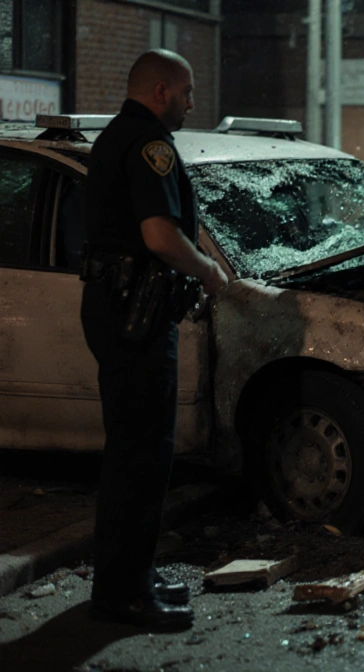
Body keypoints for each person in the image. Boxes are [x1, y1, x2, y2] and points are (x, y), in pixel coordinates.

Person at [81, 49, 228, 628]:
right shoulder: (151, 146)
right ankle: (122, 596)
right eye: (188, 92)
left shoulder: (113, 136)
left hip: (115, 307)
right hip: (136, 312)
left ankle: (128, 574)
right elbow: (160, 237)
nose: (193, 103)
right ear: (162, 90)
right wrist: (211, 272)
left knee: (131, 449)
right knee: (142, 455)